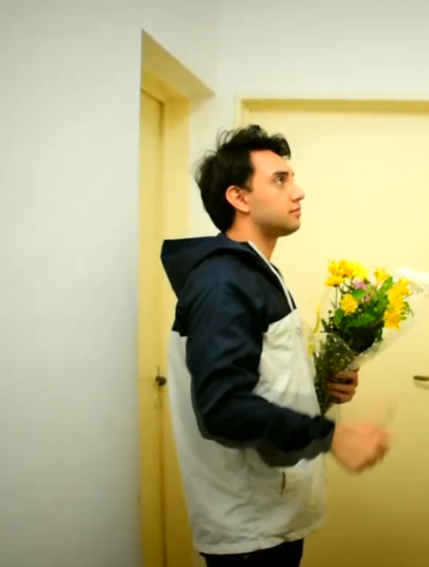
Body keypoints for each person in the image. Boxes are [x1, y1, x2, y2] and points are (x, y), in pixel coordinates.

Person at [159, 125, 392, 566]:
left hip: (273, 514)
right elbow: (223, 406)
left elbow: (263, 371)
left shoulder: (254, 271)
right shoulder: (223, 282)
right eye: (280, 180)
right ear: (239, 198)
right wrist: (333, 437)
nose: (298, 191)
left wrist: (321, 383)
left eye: (292, 178)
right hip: (251, 529)